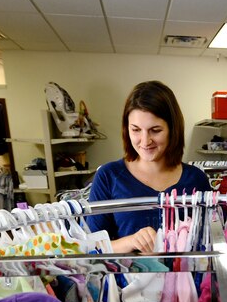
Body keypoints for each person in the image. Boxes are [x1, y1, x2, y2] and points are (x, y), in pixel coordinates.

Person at [86, 80, 211, 253]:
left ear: (173, 129)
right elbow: (91, 247)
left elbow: (208, 242)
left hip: (185, 279)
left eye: (155, 130)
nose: (145, 141)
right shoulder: (108, 176)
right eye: (136, 130)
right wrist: (130, 242)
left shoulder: (197, 179)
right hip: (130, 280)